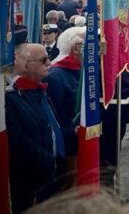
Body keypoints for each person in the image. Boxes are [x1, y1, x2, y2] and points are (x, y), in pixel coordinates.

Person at [6, 43, 63, 212]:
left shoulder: (38, 90)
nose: (49, 63)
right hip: (31, 180)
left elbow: (52, 127)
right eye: (43, 59)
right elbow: (17, 142)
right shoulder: (11, 95)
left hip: (51, 174)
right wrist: (47, 162)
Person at [45, 26, 85, 187]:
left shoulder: (81, 69)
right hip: (70, 145)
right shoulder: (56, 76)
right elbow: (54, 117)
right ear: (77, 48)